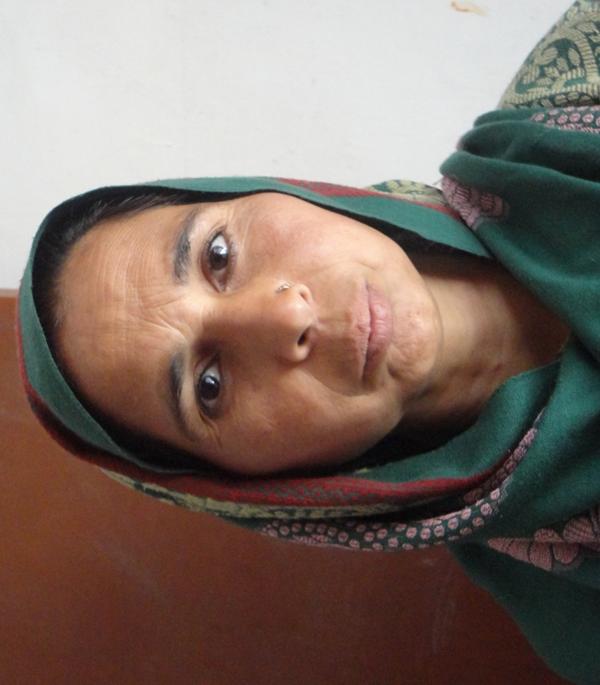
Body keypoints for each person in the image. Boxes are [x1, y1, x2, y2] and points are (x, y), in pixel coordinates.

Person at [17, 2, 600, 682]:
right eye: (210, 386)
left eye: (218, 254)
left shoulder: (577, 86)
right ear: (254, 486)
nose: (283, 318)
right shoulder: (577, 617)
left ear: (269, 192)